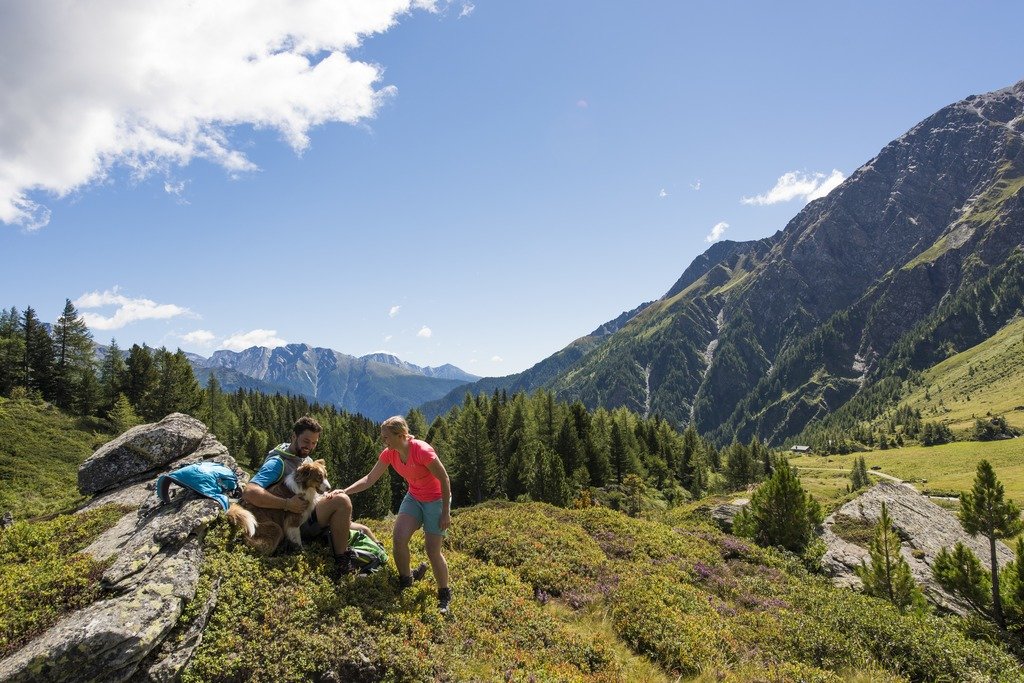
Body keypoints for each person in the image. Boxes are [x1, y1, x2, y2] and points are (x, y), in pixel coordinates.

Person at [344, 415, 453, 613]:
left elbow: (444, 479)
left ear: (401, 435)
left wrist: (445, 511)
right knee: (399, 538)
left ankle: (444, 594)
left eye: (386, 437)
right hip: (414, 497)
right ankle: (406, 580)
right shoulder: (389, 454)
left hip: (436, 500)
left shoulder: (422, 450)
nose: (383, 441)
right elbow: (369, 479)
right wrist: (344, 492)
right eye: (382, 437)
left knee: (432, 550)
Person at [243, 416, 358, 574]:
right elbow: (250, 492)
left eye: (314, 443)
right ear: (293, 437)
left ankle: (345, 547)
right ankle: (341, 561)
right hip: (289, 519)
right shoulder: (277, 463)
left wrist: (328, 495)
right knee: (342, 502)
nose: (309, 446)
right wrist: (287, 504)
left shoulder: (306, 459)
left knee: (345, 505)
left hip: (304, 513)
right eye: (306, 441)